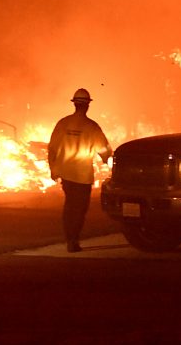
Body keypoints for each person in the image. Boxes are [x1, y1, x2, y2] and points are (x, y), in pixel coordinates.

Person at [48, 88, 112, 252]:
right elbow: (104, 150)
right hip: (82, 176)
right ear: (87, 106)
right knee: (80, 209)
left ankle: (70, 238)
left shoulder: (63, 123)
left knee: (70, 206)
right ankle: (74, 240)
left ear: (75, 104)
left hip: (66, 173)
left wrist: (53, 169)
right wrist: (107, 160)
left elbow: (52, 149)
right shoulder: (92, 126)